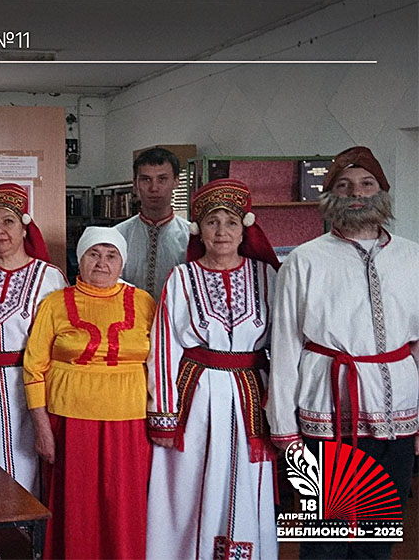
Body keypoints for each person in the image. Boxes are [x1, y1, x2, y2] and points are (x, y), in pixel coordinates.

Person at [265, 146, 419, 560]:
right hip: (328, 413)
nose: (357, 193)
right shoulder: (304, 260)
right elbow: (285, 346)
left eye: (366, 184)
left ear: (382, 192)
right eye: (345, 186)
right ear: (330, 195)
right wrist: (284, 427)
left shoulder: (413, 256)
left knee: (378, 537)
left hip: (398, 417)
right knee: (325, 539)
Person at [146, 179, 281, 560]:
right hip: (196, 399)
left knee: (246, 481)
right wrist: (164, 416)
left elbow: (283, 345)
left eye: (231, 222)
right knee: (188, 482)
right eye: (212, 222)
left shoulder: (268, 276)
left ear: (245, 229)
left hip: (251, 397)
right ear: (199, 230)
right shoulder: (181, 278)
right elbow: (164, 348)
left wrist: (280, 405)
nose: (222, 231)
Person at [25, 226, 154, 559]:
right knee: (76, 506)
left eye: (111, 256)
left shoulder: (144, 303)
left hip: (131, 423)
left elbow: (162, 364)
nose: (102, 263)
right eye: (93, 254)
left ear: (122, 263)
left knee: (124, 505)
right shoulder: (55, 304)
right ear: (79, 259)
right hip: (70, 422)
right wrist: (42, 428)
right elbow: (33, 368)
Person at [0, 183, 66, 501]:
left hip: (31, 391)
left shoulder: (49, 277)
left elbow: (62, 343)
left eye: (8, 221)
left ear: (24, 227)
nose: (0, 231)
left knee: (28, 465)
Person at [114, 147, 190, 298]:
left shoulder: (191, 237)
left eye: (162, 179)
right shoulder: (117, 236)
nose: (154, 188)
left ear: (176, 182)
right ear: (135, 184)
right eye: (146, 179)